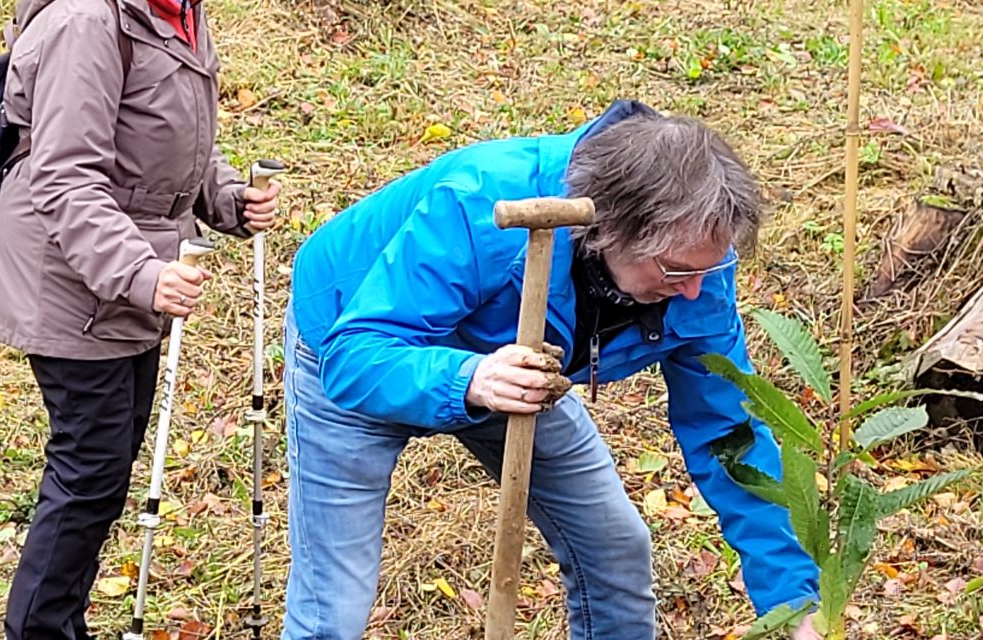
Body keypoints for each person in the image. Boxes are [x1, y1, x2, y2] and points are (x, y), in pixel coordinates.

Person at [281, 98, 820, 639]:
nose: (696, 288)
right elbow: (355, 356)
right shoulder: (484, 204)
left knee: (615, 552)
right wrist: (472, 378)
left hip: (516, 371)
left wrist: (796, 603)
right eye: (678, 270)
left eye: (710, 267)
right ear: (610, 231)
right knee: (335, 608)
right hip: (357, 341)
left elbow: (730, 436)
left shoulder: (696, 262)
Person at [0, 1, 282, 638]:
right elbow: (65, 179)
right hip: (73, 280)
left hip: (129, 276)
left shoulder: (178, 13)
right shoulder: (87, 24)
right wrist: (143, 277)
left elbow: (167, 145)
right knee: (90, 468)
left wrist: (228, 198)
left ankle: (56, 620)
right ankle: (39, 628)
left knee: (105, 466)